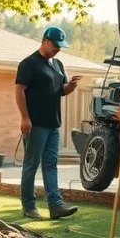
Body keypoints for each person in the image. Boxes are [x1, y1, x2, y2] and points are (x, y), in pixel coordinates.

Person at [15, 26, 82, 220]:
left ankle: (56, 205)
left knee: (51, 164)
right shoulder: (29, 64)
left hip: (53, 124)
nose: (58, 49)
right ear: (45, 41)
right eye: (55, 45)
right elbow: (19, 91)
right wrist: (25, 117)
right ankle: (29, 206)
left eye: (61, 46)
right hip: (35, 124)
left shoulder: (58, 64)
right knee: (31, 164)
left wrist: (70, 86)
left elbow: (60, 90)